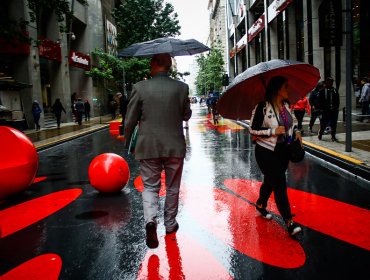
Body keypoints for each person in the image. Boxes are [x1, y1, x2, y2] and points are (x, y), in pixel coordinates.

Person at [124, 53, 192, 249]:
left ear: (155, 63)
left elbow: (130, 120)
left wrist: (128, 142)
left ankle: (150, 222)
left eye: (150, 61)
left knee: (150, 187)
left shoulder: (140, 87)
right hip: (174, 146)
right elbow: (186, 115)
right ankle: (170, 224)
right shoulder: (181, 88)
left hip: (148, 146)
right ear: (169, 65)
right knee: (172, 187)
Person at [249, 76, 302, 236]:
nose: (288, 90)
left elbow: (292, 123)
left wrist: (297, 132)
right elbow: (252, 129)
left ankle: (260, 204)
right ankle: (289, 222)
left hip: (283, 152)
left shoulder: (286, 105)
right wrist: (272, 131)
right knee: (279, 184)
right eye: (286, 87)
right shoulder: (262, 107)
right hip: (265, 152)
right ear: (277, 89)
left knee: (270, 182)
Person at [317, 77, 340, 141]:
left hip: (334, 110)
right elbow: (319, 101)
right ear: (326, 82)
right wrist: (322, 109)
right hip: (325, 110)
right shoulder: (322, 91)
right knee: (324, 123)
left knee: (333, 124)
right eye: (329, 82)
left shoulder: (335, 90)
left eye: (332, 82)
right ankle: (320, 134)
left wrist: (336, 107)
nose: (331, 83)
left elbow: (337, 100)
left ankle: (333, 136)